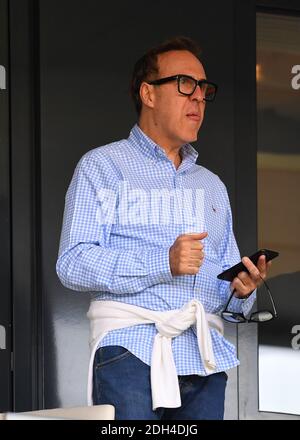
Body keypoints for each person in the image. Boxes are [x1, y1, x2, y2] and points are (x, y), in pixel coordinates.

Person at [56, 36, 271, 420]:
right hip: (130, 351)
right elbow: (72, 263)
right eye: (185, 84)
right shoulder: (103, 166)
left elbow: (226, 295)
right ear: (148, 94)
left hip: (203, 359)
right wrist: (164, 261)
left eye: (204, 89)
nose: (199, 98)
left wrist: (243, 290)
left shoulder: (212, 186)